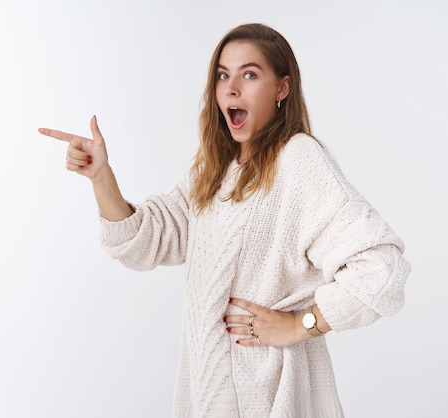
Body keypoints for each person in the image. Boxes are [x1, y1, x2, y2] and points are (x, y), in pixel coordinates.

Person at [38, 23, 410, 418]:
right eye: (222, 75)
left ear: (282, 88)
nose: (231, 89)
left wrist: (301, 324)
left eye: (249, 74)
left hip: (266, 395)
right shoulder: (216, 170)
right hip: (207, 392)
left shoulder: (298, 160)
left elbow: (382, 269)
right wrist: (101, 177)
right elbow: (145, 240)